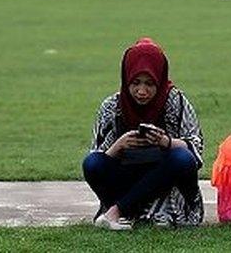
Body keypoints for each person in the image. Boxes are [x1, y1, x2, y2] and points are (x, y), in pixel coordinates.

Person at [82, 38, 204, 229]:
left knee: (181, 158)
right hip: (127, 176)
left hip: (166, 179)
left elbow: (195, 152)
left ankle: (118, 211)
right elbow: (97, 157)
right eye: (135, 83)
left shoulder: (176, 102)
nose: (141, 91)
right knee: (91, 163)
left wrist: (165, 141)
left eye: (150, 84)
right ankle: (126, 209)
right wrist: (119, 145)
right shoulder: (112, 107)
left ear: (160, 80)